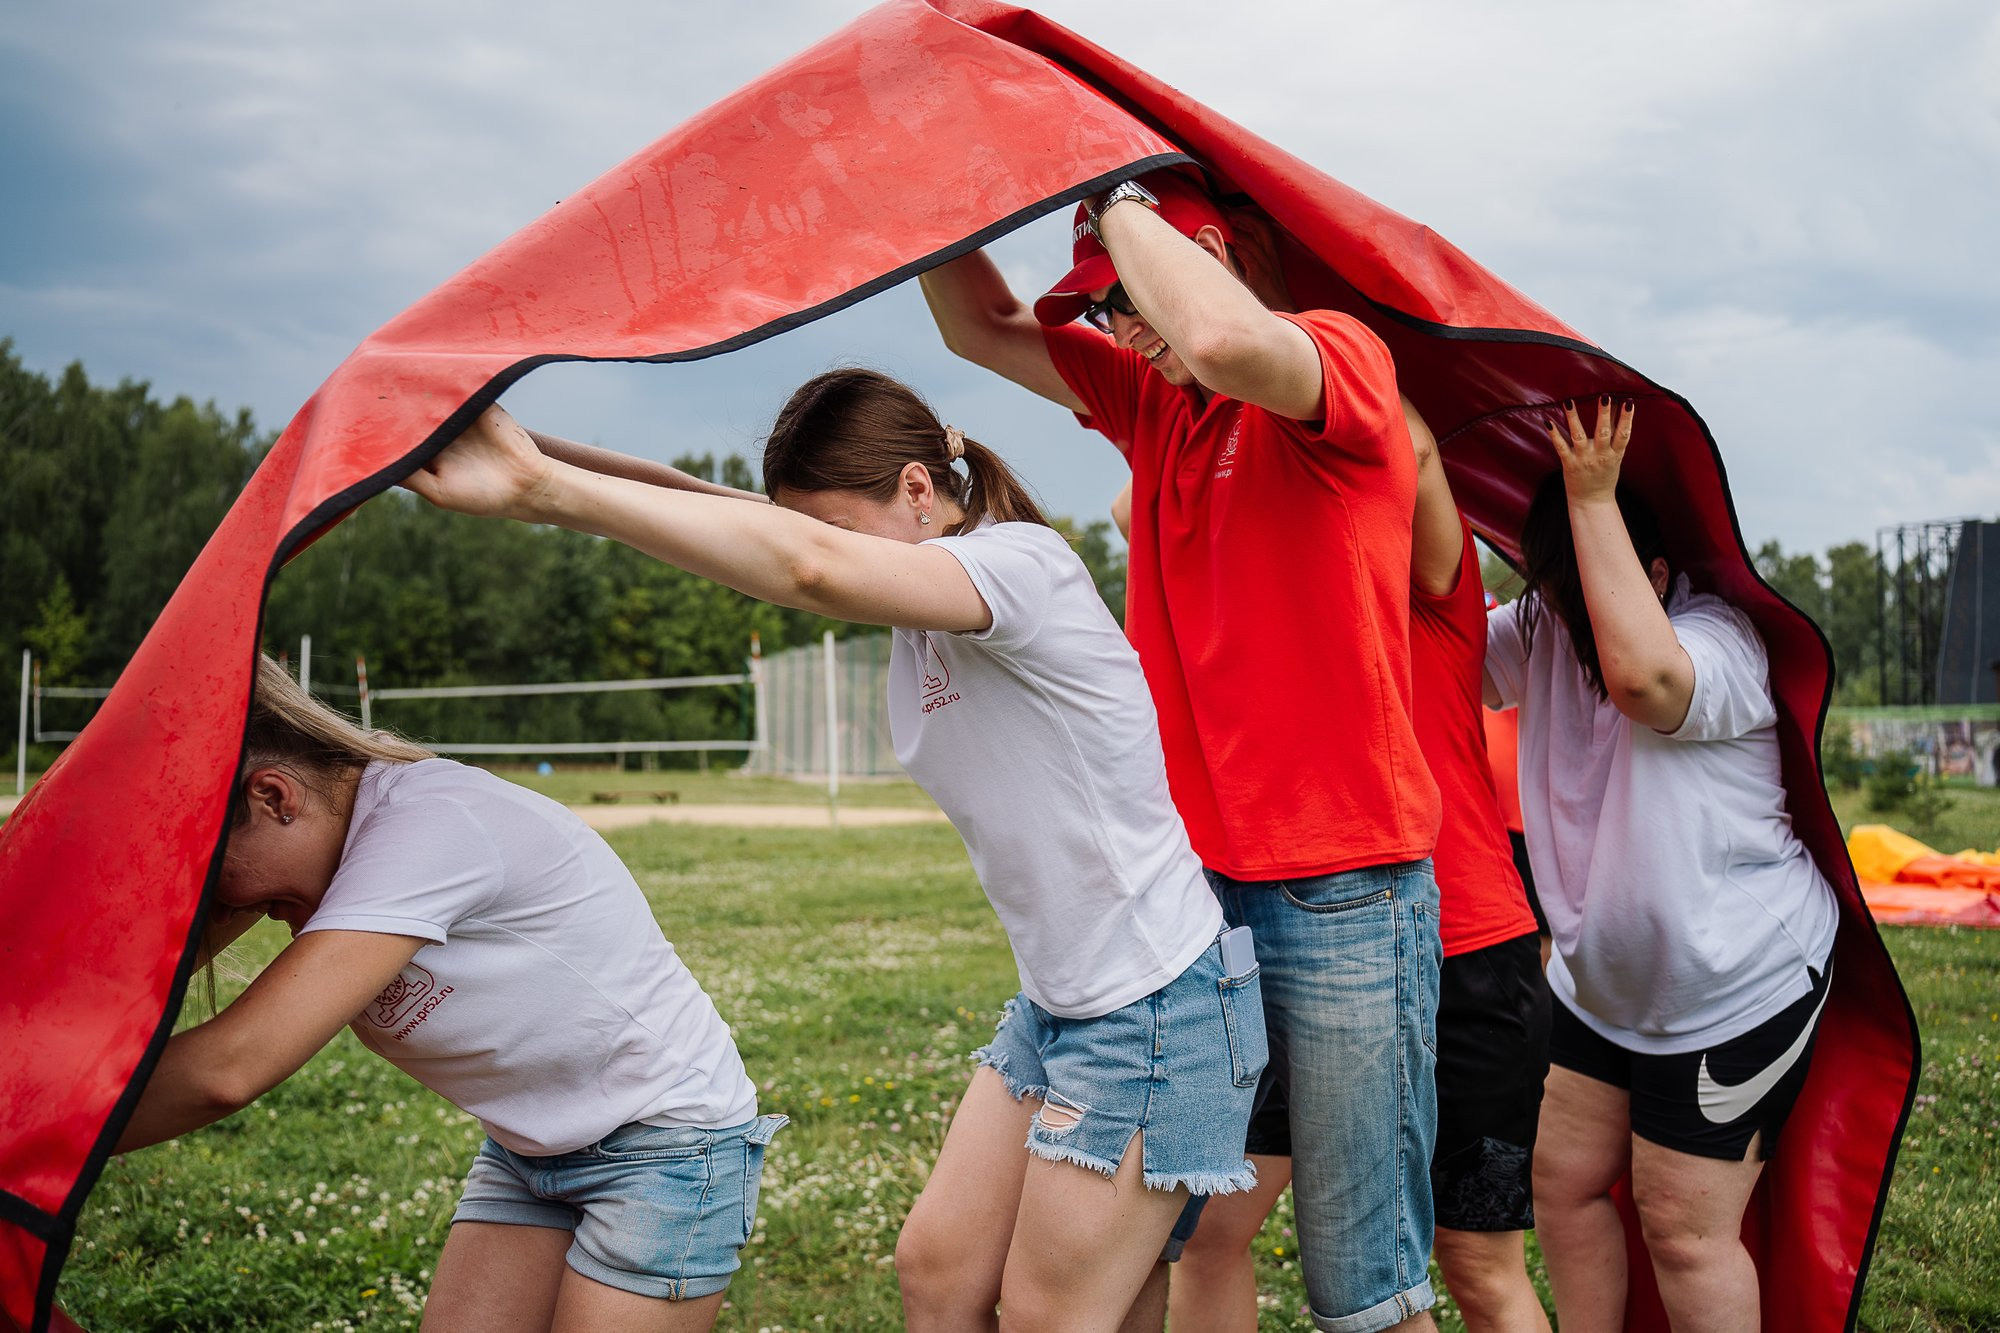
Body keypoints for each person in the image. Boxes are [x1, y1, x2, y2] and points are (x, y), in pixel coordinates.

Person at [403, 368, 1267, 1333]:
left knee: (1048, 1315)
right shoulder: (920, 585)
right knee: (937, 1275)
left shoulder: (1021, 565)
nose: (826, 550)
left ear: (916, 487)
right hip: (1062, 1004)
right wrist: (519, 446)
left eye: (839, 528)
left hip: (1155, 1004)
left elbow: (808, 563)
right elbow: (703, 502)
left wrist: (539, 490)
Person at [922, 166, 1443, 1332]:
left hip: (1343, 889)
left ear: (1199, 255)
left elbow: (1220, 335)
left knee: (1364, 1283)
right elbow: (979, 325)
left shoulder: (1337, 357)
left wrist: (1112, 189)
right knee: (1170, 1228)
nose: (1116, 331)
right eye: (1101, 312)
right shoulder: (1152, 402)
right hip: (1187, 899)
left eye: (1121, 300)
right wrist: (927, 179)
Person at [117, 656, 781, 1333]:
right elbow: (143, 975)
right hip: (529, 1150)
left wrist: (55, 1142)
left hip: (667, 1142)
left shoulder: (429, 825)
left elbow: (230, 1067)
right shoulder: (325, 848)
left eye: (211, 872)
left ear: (274, 797)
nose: (227, 903)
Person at [1167, 406, 1552, 1332]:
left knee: (1475, 1263)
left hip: (1468, 959)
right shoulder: (1277, 602)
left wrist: (1307, 348)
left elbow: (1410, 443)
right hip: (1301, 950)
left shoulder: (1435, 598)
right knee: (1206, 1229)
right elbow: (1147, 495)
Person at [1484, 400, 1840, 1333]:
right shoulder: (1546, 624)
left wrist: (1592, 497)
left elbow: (1645, 682)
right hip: (1605, 989)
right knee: (1560, 1182)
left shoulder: (1716, 641)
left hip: (1735, 987)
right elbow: (1441, 655)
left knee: (1683, 1230)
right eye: (1552, 595)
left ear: (1655, 576)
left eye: (1582, 595)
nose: (1568, 622)